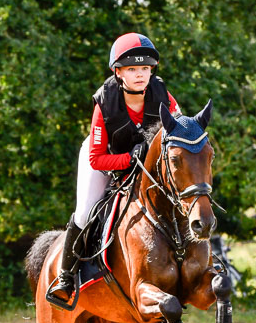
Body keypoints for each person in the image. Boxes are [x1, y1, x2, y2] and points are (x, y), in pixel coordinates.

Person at [49, 32, 181, 303]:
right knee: (85, 212)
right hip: (105, 159)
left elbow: (179, 135)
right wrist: (129, 159)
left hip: (146, 168)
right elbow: (97, 158)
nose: (140, 74)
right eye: (132, 69)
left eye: (145, 68)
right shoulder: (105, 101)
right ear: (118, 72)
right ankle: (66, 277)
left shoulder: (162, 95)